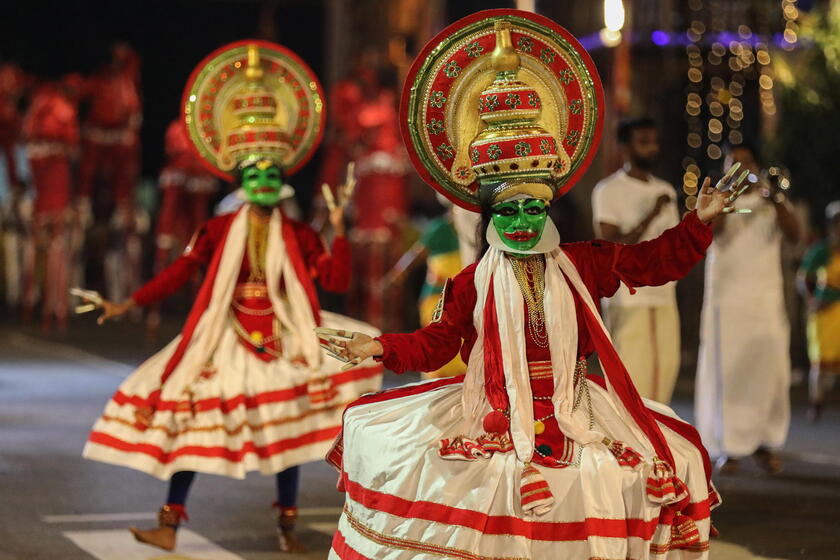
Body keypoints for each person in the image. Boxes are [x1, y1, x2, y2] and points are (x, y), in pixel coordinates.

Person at [318, 13, 734, 558]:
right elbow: (439, 344)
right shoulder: (471, 281)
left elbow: (652, 263)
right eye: (510, 208)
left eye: (534, 207)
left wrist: (697, 222)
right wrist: (377, 346)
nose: (523, 221)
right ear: (490, 211)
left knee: (623, 479)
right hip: (491, 413)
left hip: (576, 410)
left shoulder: (582, 263)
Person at [79, 41, 383, 553]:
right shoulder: (218, 229)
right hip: (224, 336)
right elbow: (180, 271)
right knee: (191, 424)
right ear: (241, 181)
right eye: (254, 174)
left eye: (272, 174)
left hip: (286, 334)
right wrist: (125, 304)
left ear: (281, 181)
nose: (264, 181)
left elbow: (332, 279)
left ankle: (287, 526)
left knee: (287, 433)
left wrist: (337, 230)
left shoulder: (302, 234)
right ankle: (169, 525)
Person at [695, 143, 801, 474]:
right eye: (734, 164)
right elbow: (714, 233)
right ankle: (730, 446)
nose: (741, 170)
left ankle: (768, 443)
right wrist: (726, 197)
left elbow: (796, 234)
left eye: (747, 163)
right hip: (728, 302)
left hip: (765, 299)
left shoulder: (771, 201)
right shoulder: (718, 202)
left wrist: (775, 199)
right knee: (728, 374)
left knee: (771, 371)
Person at [592, 117, 681, 403]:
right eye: (644, 142)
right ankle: (628, 444)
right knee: (630, 376)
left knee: (665, 370)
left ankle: (657, 440)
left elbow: (674, 243)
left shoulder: (665, 190)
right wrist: (650, 214)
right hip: (627, 298)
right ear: (625, 148)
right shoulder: (608, 191)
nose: (652, 148)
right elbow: (612, 245)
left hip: (663, 293)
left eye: (654, 141)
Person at [20, 74, 83, 329]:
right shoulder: (63, 109)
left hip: (40, 182)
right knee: (57, 245)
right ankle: (54, 310)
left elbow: (27, 145)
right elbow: (73, 150)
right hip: (53, 179)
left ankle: (31, 306)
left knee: (37, 245)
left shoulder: (37, 107)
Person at [798, 201, 840, 421]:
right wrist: (812, 300)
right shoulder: (821, 251)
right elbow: (803, 278)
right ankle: (816, 403)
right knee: (820, 362)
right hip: (824, 312)